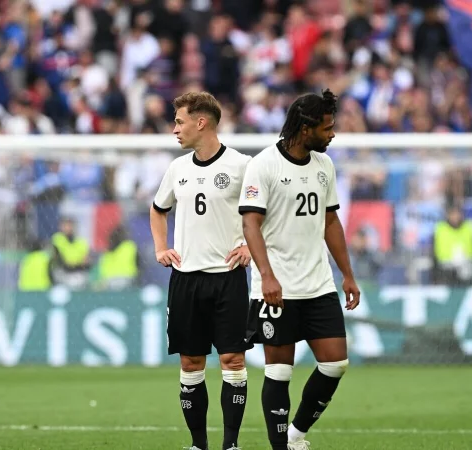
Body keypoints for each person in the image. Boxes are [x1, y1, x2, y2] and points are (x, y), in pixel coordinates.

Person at [239, 89, 361, 450]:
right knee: (279, 372)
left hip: (319, 283)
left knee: (335, 364)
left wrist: (347, 274)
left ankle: (296, 434)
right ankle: (282, 447)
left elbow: (330, 222)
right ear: (305, 128)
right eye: (327, 128)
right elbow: (250, 224)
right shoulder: (263, 165)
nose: (332, 134)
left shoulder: (325, 166)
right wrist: (266, 276)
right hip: (277, 286)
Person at [150, 91, 253, 450]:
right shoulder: (177, 169)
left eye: (179, 122)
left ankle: (231, 444)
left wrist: (250, 246)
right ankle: (198, 445)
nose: (174, 129)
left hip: (228, 278)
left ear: (201, 122)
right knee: (191, 361)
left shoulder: (241, 166)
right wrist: (160, 247)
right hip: (186, 279)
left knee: (232, 359)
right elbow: (158, 209)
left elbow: (265, 212)